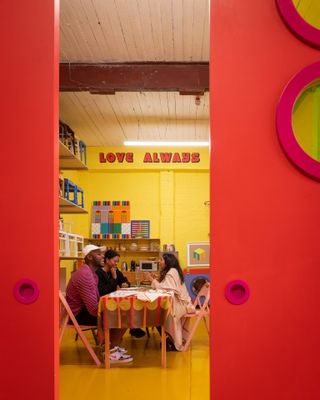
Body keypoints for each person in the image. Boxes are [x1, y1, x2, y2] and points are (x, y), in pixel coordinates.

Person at [66, 244, 132, 363]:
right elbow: (93, 308)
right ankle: (109, 351)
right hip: (77, 315)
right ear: (90, 257)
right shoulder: (85, 275)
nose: (103, 257)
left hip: (80, 312)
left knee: (121, 311)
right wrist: (112, 309)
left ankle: (110, 348)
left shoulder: (90, 273)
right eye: (99, 254)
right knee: (123, 314)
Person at [144, 253, 195, 351]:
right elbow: (165, 286)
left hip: (180, 304)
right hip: (178, 302)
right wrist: (157, 279)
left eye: (161, 260)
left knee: (157, 313)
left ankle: (169, 339)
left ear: (168, 262)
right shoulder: (172, 271)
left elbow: (165, 290)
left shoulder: (172, 272)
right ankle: (167, 338)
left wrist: (151, 279)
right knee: (156, 312)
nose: (159, 262)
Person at [96, 249, 146, 339]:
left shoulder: (116, 270)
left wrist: (126, 284)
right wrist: (114, 278)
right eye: (114, 261)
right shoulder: (99, 273)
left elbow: (124, 280)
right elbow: (102, 291)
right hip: (104, 303)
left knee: (131, 305)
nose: (116, 263)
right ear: (107, 260)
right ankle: (133, 328)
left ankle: (133, 327)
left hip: (114, 300)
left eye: (117, 262)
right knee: (126, 308)